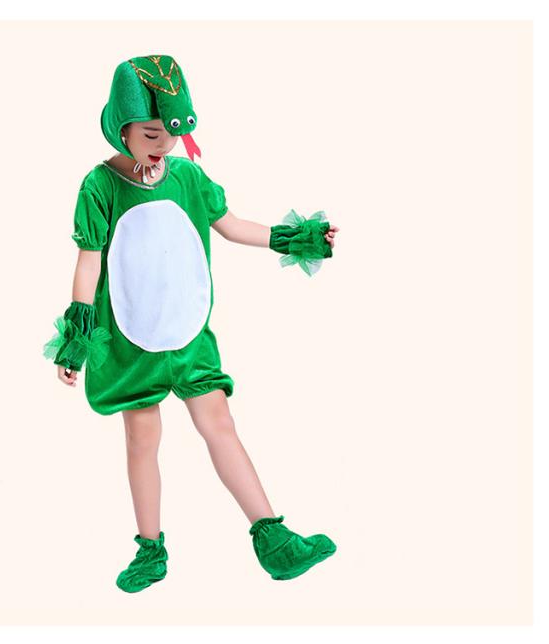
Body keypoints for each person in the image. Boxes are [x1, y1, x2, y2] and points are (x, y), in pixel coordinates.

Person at [43, 55, 340, 593]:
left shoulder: (188, 177)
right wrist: (77, 339)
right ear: (122, 127)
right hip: (130, 343)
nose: (163, 145)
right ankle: (150, 550)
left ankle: (273, 539)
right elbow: (88, 263)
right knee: (142, 440)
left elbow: (231, 225)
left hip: (187, 335)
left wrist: (295, 238)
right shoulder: (100, 186)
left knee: (220, 424)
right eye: (150, 134)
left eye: (171, 134)